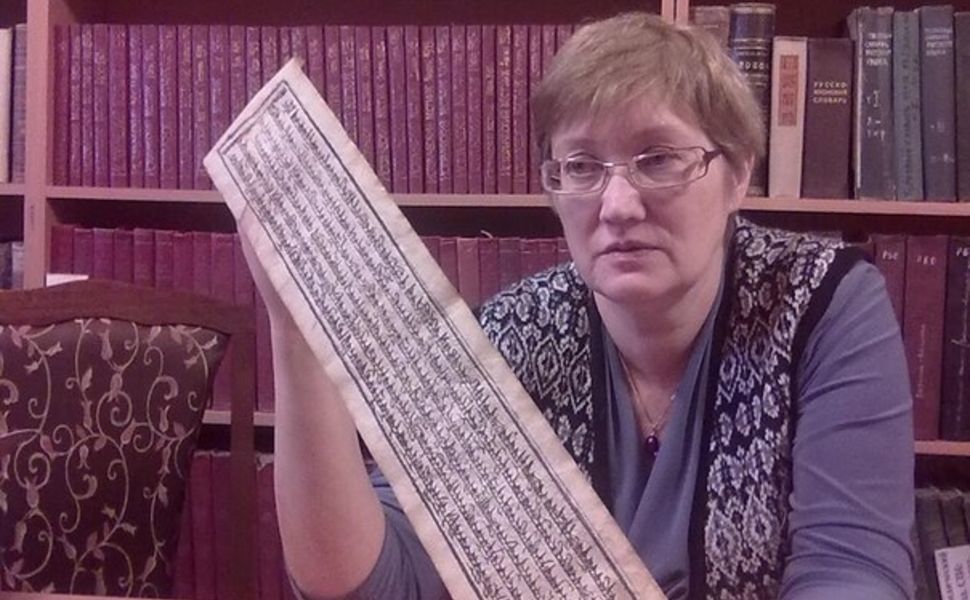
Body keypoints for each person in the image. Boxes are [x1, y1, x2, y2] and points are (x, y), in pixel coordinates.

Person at [245, 12, 915, 600]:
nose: (617, 206)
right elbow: (373, 583)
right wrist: (294, 328)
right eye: (583, 167)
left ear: (736, 173)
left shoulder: (823, 303)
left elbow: (853, 570)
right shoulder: (513, 337)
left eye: (658, 159)